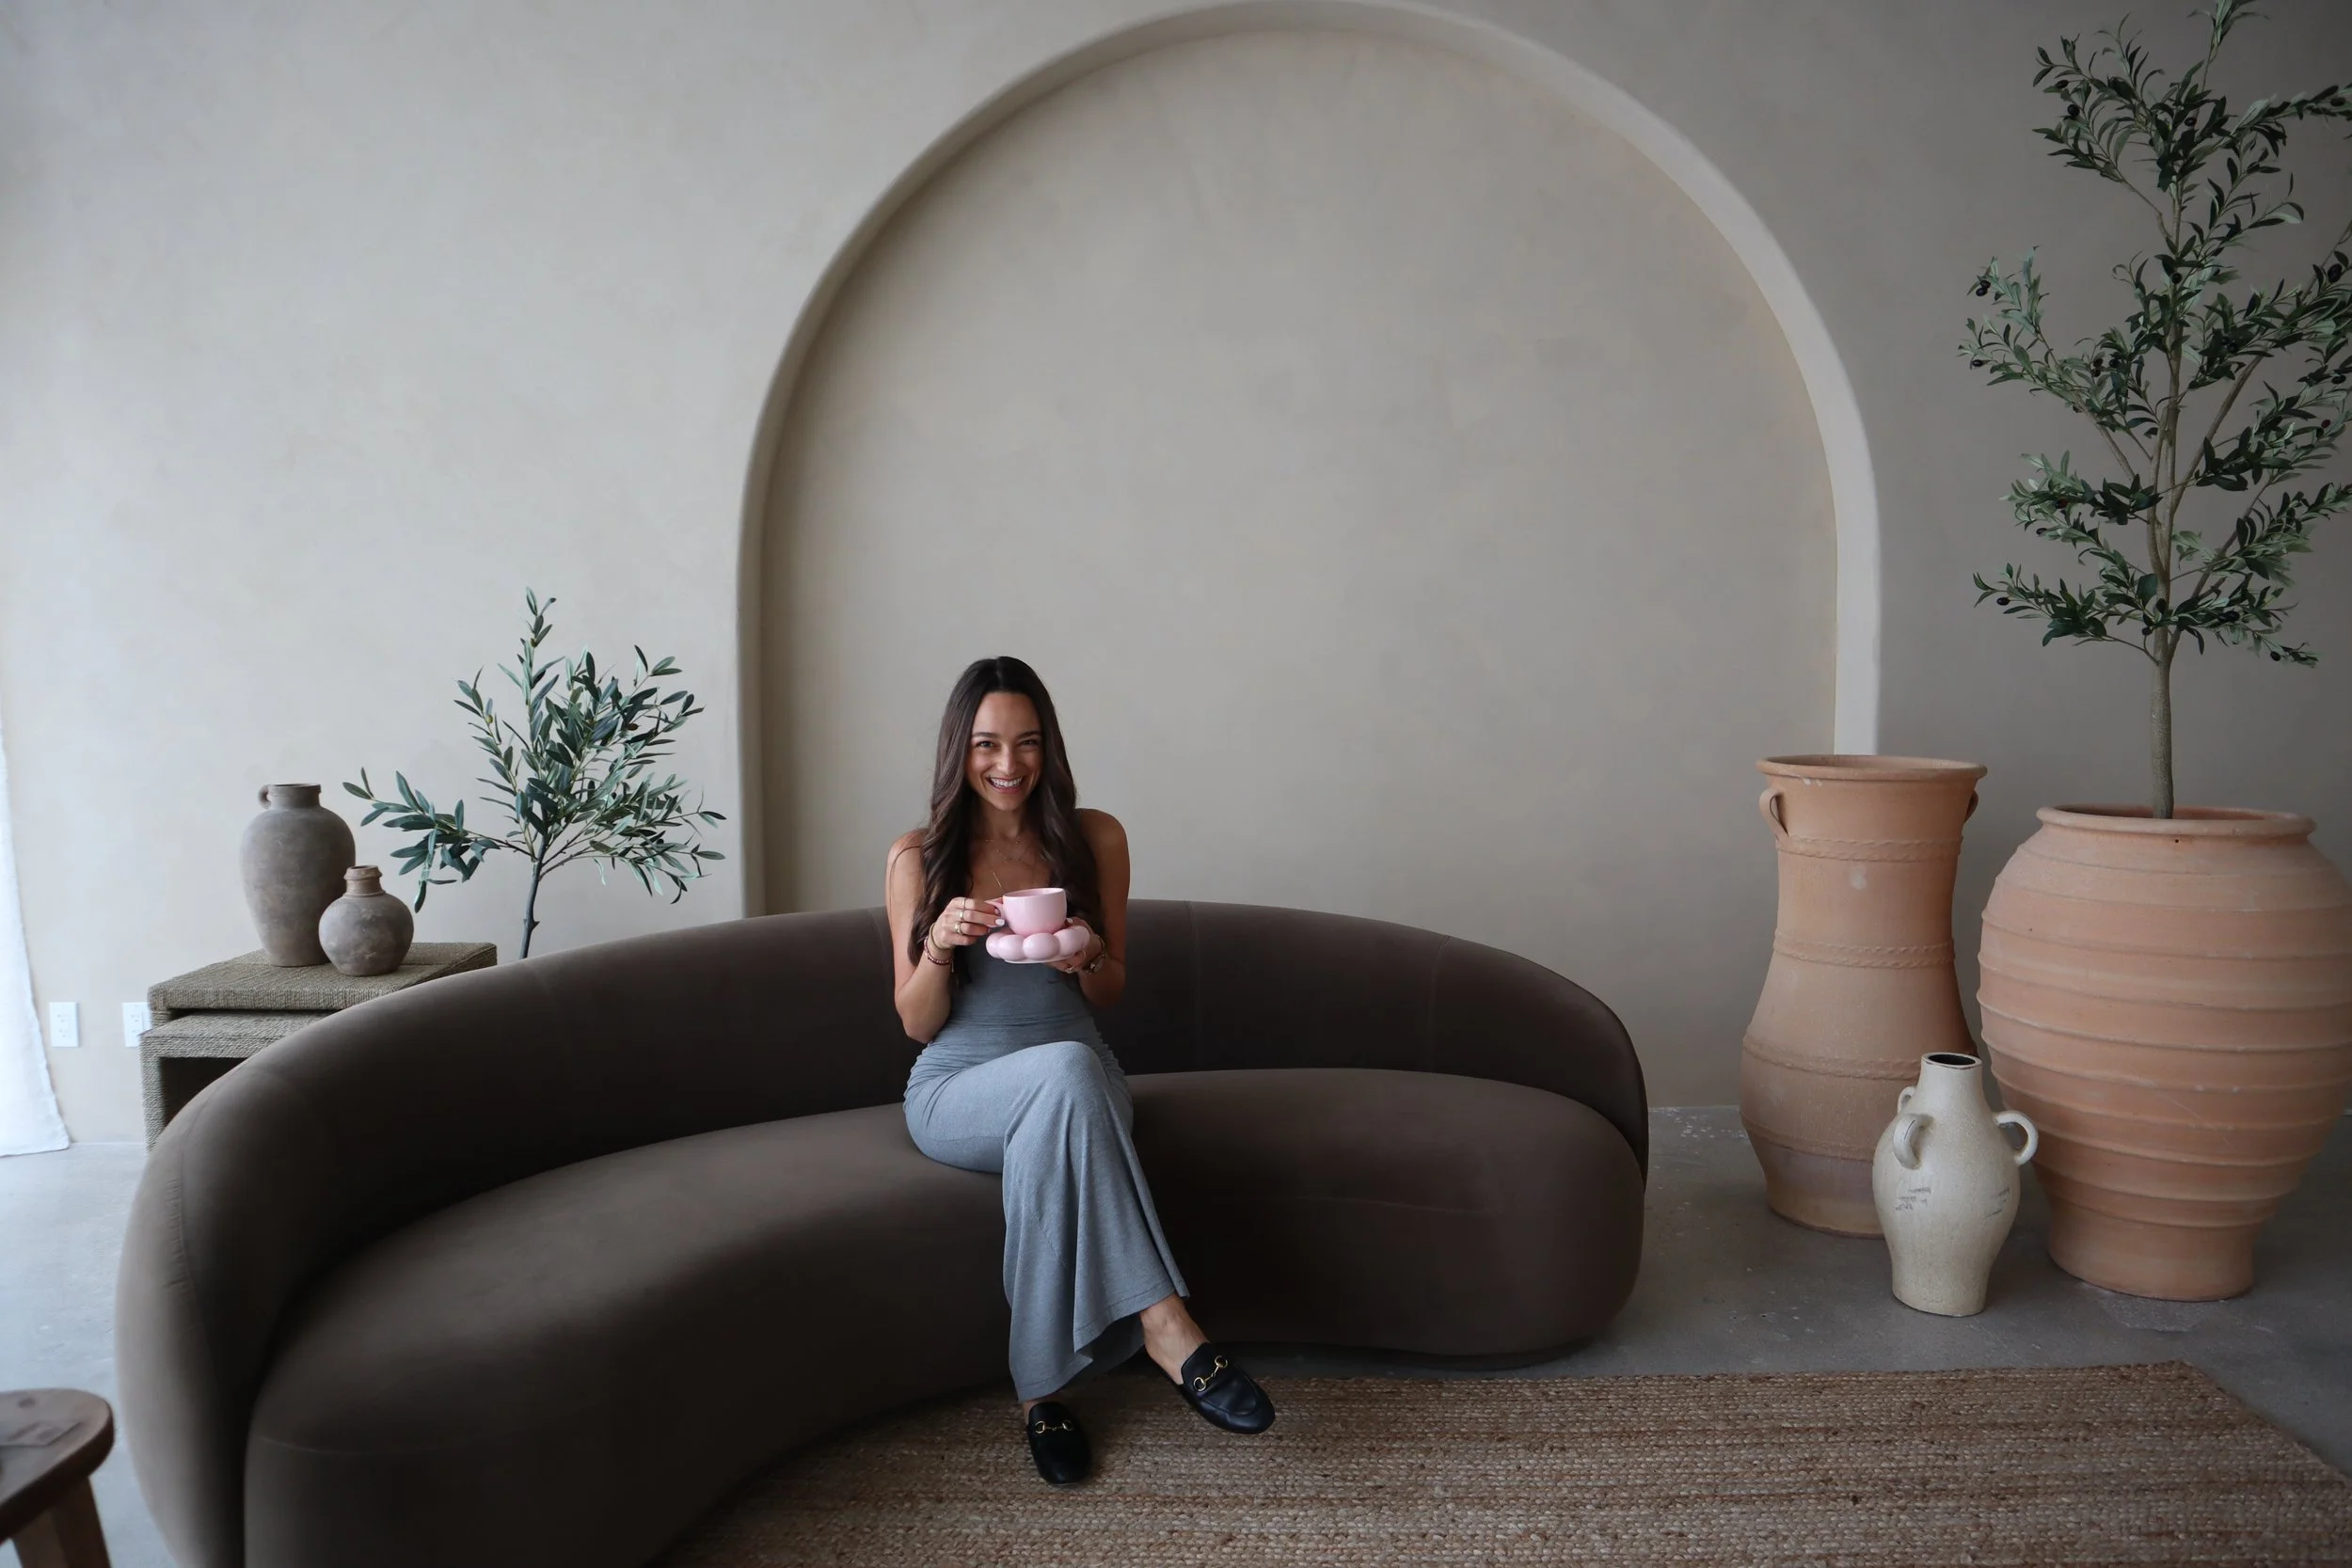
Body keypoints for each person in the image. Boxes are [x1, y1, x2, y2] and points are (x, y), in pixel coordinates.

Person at [885, 656, 1275, 1485]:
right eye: (987, 744)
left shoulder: (1094, 838)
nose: (1009, 764)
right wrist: (939, 944)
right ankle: (1167, 1325)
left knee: (1063, 1091)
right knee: (1062, 1076)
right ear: (959, 750)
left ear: (1049, 747)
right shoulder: (918, 856)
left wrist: (1089, 950)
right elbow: (916, 1022)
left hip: (1084, 1081)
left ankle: (1041, 1393)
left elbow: (1111, 990)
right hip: (959, 1089)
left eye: (1027, 742)